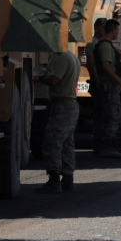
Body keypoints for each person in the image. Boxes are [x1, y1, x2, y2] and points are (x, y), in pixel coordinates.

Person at [36, 49, 81, 193]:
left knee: (52, 143)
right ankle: (68, 179)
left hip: (62, 105)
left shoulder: (63, 58)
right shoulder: (73, 57)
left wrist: (42, 79)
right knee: (67, 143)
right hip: (71, 104)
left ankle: (54, 179)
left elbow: (55, 80)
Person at [88, 18, 121, 159]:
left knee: (105, 116)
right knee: (113, 116)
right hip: (109, 86)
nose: (118, 33)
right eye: (117, 30)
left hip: (108, 85)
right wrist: (120, 82)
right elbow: (105, 66)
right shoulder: (105, 46)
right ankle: (107, 146)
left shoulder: (105, 45)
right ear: (113, 31)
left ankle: (103, 146)